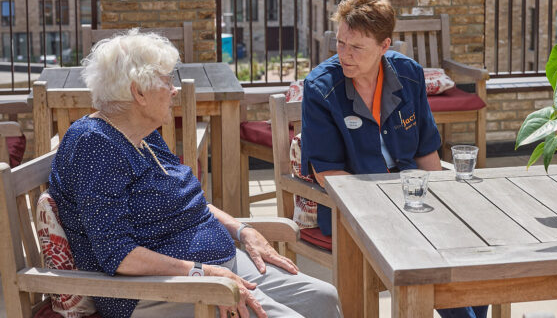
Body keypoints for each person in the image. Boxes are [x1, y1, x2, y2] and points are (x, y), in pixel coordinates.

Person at [49, 30, 340, 318]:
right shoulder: (94, 144)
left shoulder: (143, 134)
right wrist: (201, 274)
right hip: (155, 290)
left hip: (213, 267)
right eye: (167, 80)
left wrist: (243, 230)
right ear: (138, 92)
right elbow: (119, 254)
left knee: (324, 299)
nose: (174, 90)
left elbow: (190, 203)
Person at [301, 0, 488, 318]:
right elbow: (327, 173)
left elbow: (425, 152)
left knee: (475, 245)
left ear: (384, 46)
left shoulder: (409, 74)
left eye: (356, 47)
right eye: (340, 43)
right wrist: (393, 202)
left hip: (411, 196)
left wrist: (449, 201)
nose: (345, 54)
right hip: (356, 209)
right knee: (432, 253)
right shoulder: (321, 88)